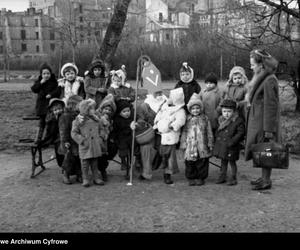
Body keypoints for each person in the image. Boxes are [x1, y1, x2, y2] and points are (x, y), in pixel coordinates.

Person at [244, 49, 280, 191]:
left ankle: (266, 180)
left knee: (266, 149)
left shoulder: (269, 80)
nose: (251, 67)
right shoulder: (261, 78)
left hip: (264, 123)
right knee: (261, 149)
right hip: (258, 120)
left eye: (253, 64)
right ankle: (264, 177)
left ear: (261, 65)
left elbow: (271, 106)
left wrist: (269, 129)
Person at [153, 87, 186, 184]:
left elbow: (180, 120)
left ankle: (168, 174)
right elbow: (159, 114)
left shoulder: (179, 110)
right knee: (162, 153)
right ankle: (160, 168)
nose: (169, 98)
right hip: (161, 133)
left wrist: (171, 126)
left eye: (171, 97)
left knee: (169, 156)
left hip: (170, 135)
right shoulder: (165, 106)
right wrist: (157, 123)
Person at [133, 90, 168, 181]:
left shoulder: (166, 103)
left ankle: (164, 172)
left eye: (160, 93)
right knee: (146, 148)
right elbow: (140, 120)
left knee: (162, 149)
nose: (159, 95)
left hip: (163, 132)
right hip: (148, 133)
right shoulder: (145, 105)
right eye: (156, 93)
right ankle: (146, 172)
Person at [180, 93, 214, 186]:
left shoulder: (205, 118)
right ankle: (191, 177)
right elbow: (184, 131)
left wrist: (210, 142)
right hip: (190, 144)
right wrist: (183, 143)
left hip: (202, 144)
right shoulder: (188, 119)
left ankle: (200, 177)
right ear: (190, 109)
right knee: (190, 162)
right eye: (193, 108)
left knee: (202, 161)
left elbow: (209, 131)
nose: (195, 110)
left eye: (197, 108)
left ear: (201, 108)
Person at [71, 99, 104, 187]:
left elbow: (101, 129)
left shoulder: (96, 120)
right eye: (92, 108)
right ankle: (85, 178)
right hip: (85, 145)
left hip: (95, 145)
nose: (94, 110)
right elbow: (74, 133)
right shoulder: (78, 121)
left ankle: (96, 177)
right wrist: (82, 140)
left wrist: (101, 138)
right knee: (85, 164)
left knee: (94, 162)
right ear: (86, 109)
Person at [213, 99, 245, 185]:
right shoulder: (221, 120)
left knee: (232, 162)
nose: (226, 114)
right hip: (223, 145)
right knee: (223, 161)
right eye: (224, 111)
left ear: (234, 111)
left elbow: (240, 133)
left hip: (231, 146)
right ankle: (222, 176)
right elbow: (218, 131)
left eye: (229, 111)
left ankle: (233, 177)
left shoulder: (238, 121)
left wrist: (233, 141)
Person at [31, 63, 59, 144]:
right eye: (44, 74)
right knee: (41, 122)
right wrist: (40, 83)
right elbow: (34, 89)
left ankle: (48, 138)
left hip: (50, 105)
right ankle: (38, 138)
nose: (46, 75)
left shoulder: (54, 82)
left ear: (50, 74)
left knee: (50, 121)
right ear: (41, 74)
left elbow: (57, 91)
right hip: (41, 105)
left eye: (48, 73)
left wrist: (51, 94)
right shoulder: (39, 81)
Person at [58, 95, 83, 184]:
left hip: (76, 140)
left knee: (78, 158)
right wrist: (65, 141)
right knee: (69, 158)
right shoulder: (65, 116)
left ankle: (79, 174)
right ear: (73, 105)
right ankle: (66, 174)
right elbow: (63, 130)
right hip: (69, 141)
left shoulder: (79, 115)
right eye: (80, 104)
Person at [95, 94, 117, 182]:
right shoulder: (96, 115)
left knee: (110, 149)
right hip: (97, 138)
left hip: (106, 140)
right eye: (106, 109)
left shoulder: (111, 119)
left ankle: (102, 169)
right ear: (102, 108)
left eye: (109, 110)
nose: (107, 111)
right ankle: (98, 170)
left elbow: (111, 130)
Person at [111, 99, 134, 180]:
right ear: (120, 112)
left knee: (132, 151)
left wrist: (134, 126)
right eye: (124, 111)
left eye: (128, 111)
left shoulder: (131, 118)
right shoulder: (117, 120)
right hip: (121, 139)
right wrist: (113, 138)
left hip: (130, 138)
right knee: (123, 151)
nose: (127, 113)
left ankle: (131, 164)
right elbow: (115, 130)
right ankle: (123, 162)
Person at [40, 98, 65, 168]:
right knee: (59, 145)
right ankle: (62, 165)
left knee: (64, 144)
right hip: (53, 136)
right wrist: (55, 118)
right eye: (55, 110)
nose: (58, 111)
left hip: (63, 135)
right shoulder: (50, 117)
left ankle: (67, 165)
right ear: (52, 110)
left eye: (59, 109)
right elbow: (49, 130)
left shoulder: (64, 115)